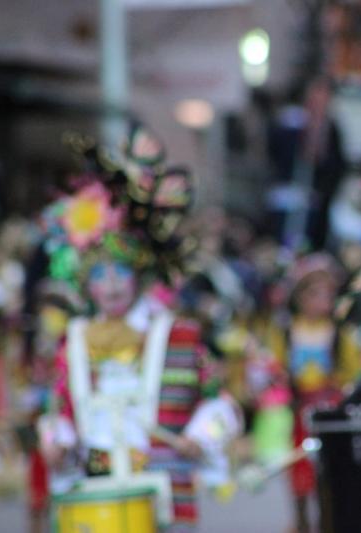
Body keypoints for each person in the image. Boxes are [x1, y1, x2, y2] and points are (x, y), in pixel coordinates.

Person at [37, 126, 241, 533]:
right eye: (99, 273)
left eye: (121, 271)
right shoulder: (73, 341)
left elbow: (221, 404)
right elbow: (60, 410)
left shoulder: (178, 336)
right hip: (95, 494)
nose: (111, 285)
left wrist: (200, 435)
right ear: (84, 282)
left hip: (163, 492)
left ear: (140, 274)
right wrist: (56, 441)